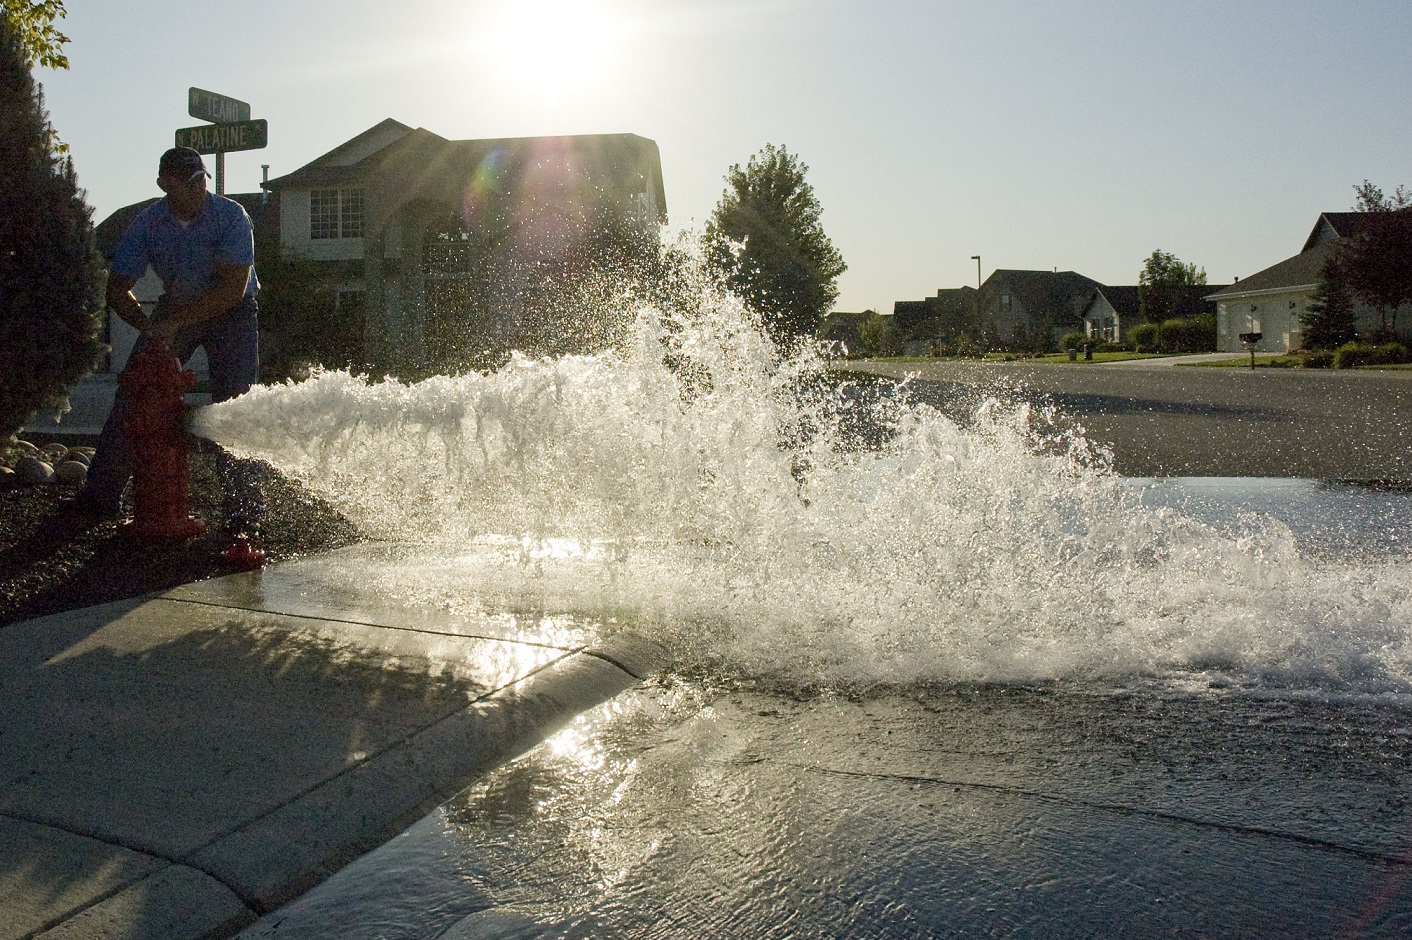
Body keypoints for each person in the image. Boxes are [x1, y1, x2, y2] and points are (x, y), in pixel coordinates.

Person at [77, 146, 265, 539]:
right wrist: (148, 327)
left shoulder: (232, 216)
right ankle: (99, 496)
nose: (199, 187)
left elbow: (232, 290)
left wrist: (174, 322)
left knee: (237, 403)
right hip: (175, 306)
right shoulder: (147, 223)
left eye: (202, 180)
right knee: (135, 391)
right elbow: (117, 289)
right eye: (190, 181)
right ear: (166, 184)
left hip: (232, 313)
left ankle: (245, 512)